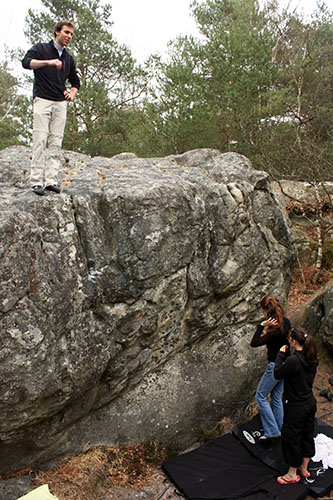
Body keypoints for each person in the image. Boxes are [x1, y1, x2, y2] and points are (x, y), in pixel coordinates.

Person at [22, 20, 80, 196]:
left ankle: (50, 181)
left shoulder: (68, 58)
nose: (69, 36)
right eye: (66, 32)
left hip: (60, 103)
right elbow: (26, 63)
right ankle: (35, 181)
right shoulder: (41, 49)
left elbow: (75, 82)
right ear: (57, 32)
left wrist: (72, 94)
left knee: (56, 141)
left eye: (71, 34)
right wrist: (48, 62)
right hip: (42, 100)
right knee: (40, 139)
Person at [274, 326, 318, 484]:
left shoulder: (294, 360)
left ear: (293, 341)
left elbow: (277, 373)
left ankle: (292, 474)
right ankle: (304, 467)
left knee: (292, 437)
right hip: (309, 402)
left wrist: (280, 355)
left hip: (296, 405)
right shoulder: (312, 356)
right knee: (307, 433)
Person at [250, 296, 291, 440]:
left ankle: (272, 431)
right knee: (276, 397)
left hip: (274, 366)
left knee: (260, 396)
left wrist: (261, 326)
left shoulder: (274, 332)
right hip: (286, 365)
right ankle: (279, 427)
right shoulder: (286, 323)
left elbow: (254, 343)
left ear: (266, 312)